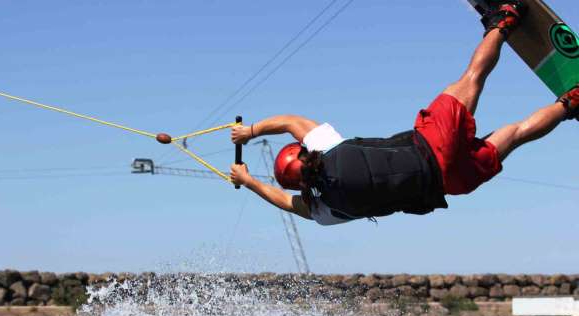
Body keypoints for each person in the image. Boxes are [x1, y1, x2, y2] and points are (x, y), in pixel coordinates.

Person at [229, 0, 578, 226]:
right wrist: (252, 131)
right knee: (472, 78)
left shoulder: (326, 211)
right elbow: (292, 122)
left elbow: (285, 202)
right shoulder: (329, 148)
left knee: (515, 135)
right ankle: (506, 19)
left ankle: (570, 103)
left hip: (444, 183)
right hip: (432, 141)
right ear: (304, 153)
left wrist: (248, 182)